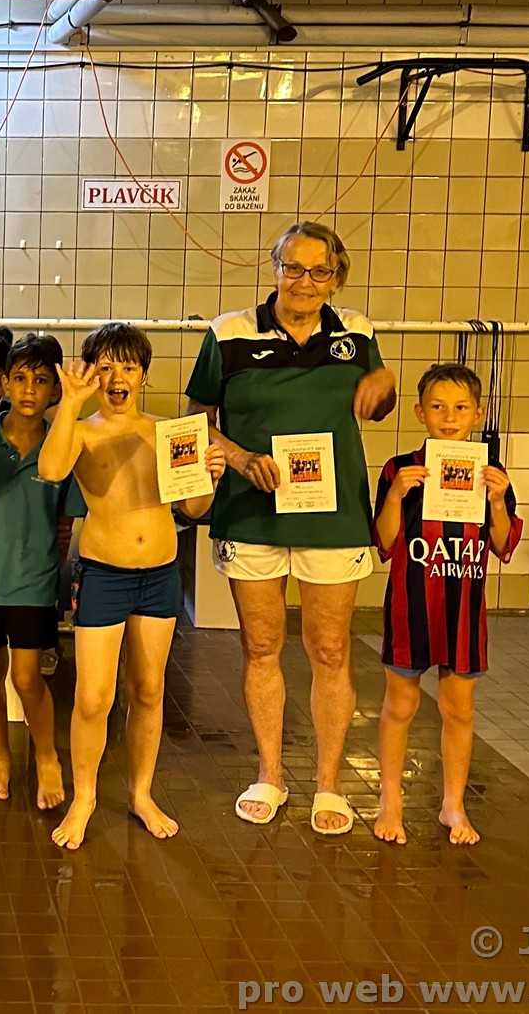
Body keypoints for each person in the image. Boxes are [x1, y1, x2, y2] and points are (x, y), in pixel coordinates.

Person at [184, 221, 397, 836]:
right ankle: (270, 773)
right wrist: (240, 458)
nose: (305, 281)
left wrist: (385, 385)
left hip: (333, 516)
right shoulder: (229, 332)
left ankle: (329, 784)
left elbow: (377, 406)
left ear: (336, 278)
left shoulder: (357, 332)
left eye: (319, 271)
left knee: (329, 649)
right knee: (260, 647)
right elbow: (198, 418)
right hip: (252, 513)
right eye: (293, 267)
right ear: (274, 268)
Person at [39, 323, 224, 850]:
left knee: (147, 690)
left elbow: (193, 509)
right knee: (93, 696)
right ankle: (84, 799)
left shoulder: (169, 433)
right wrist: (70, 403)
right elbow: (51, 470)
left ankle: (141, 793)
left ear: (144, 375)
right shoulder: (80, 429)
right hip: (104, 575)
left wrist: (210, 478)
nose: (117, 376)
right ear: (92, 374)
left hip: (160, 575)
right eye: (106, 366)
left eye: (128, 366)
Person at [372, 363, 520, 846]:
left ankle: (453, 804)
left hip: (464, 611)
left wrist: (496, 502)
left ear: (478, 413)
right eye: (438, 407)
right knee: (400, 704)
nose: (449, 417)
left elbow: (503, 544)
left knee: (459, 709)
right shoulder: (399, 469)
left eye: (460, 408)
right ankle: (390, 801)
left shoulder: (492, 475)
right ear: (420, 412)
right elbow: (384, 541)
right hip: (410, 606)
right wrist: (396, 494)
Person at [0, 332, 71, 809]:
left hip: (34, 580)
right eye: (20, 378)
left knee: (27, 677)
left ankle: (46, 756)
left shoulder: (62, 447)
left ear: (56, 390)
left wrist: (52, 569)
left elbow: (65, 522)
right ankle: (0, 759)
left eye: (41, 381)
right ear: (4, 382)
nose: (29, 389)